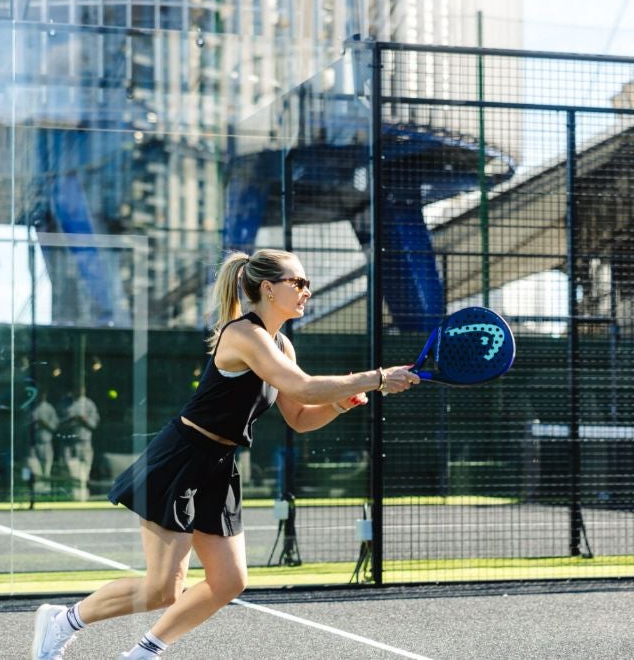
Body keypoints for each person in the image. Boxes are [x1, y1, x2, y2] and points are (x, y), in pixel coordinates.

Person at [30, 249, 419, 660]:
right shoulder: (243, 334)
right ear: (269, 289)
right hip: (182, 458)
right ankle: (62, 621)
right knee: (163, 588)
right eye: (298, 282)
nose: (307, 290)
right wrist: (378, 378)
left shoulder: (281, 344)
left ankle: (141, 654)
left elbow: (300, 416)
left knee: (229, 580)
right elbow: (302, 387)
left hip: (218, 464)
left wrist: (341, 403)